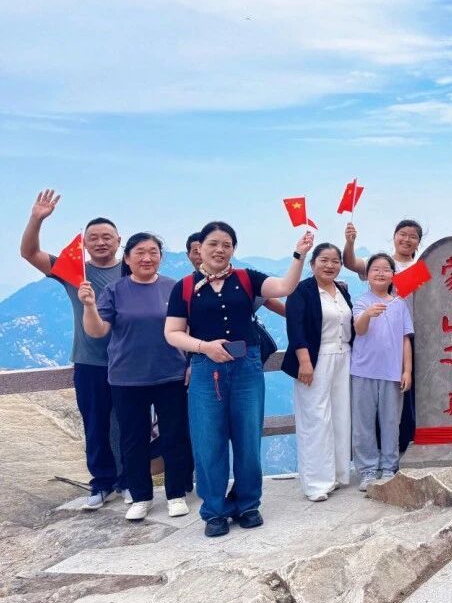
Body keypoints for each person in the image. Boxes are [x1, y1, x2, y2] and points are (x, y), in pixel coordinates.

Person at [164, 221, 312, 538]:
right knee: (208, 441)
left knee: (247, 438)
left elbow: (285, 287)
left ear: (233, 249)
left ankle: (248, 504)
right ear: (200, 248)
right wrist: (205, 347)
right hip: (205, 368)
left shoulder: (247, 278)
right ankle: (215, 511)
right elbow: (172, 333)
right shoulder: (184, 287)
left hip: (247, 367)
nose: (220, 250)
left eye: (227, 244)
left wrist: (299, 255)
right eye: (213, 244)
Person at [20, 190, 126, 509]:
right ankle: (102, 484)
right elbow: (29, 253)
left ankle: (129, 482)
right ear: (85, 244)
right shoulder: (73, 270)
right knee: (95, 425)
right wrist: (37, 218)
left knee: (130, 425)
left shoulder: (132, 269)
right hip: (89, 362)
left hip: (129, 362)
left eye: (107, 237)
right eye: (93, 238)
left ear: (119, 240)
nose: (101, 242)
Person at [79, 233, 190, 521]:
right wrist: (89, 306)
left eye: (153, 252)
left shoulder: (173, 288)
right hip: (127, 378)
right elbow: (98, 330)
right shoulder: (115, 290)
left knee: (175, 436)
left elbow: (189, 329)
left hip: (171, 374)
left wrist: (191, 363)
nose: (147, 258)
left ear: (161, 257)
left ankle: (176, 494)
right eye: (140, 252)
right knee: (132, 439)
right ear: (127, 258)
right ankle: (141, 496)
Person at [282, 243, 354, 502]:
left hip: (343, 356)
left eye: (335, 261)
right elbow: (296, 327)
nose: (330, 265)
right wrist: (304, 361)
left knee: (340, 415)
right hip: (315, 359)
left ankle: (338, 474)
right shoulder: (301, 291)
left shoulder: (341, 290)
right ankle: (316, 483)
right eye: (324, 260)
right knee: (316, 418)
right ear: (313, 263)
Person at [344, 219, 423, 453]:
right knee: (374, 400)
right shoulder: (381, 263)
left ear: (419, 242)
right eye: (402, 234)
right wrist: (350, 242)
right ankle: (375, 453)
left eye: (413, 236)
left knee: (405, 394)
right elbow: (350, 262)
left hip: (409, 335)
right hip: (377, 336)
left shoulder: (421, 268)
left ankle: (401, 449)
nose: (407, 239)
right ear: (394, 235)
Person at [351, 253, 414, 490]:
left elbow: (406, 339)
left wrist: (407, 370)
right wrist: (368, 314)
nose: (380, 273)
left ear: (393, 275)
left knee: (391, 422)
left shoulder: (400, 304)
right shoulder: (361, 302)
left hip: (392, 372)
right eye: (375, 269)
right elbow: (359, 329)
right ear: (367, 275)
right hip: (363, 371)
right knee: (363, 423)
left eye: (386, 269)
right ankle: (367, 470)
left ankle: (389, 467)